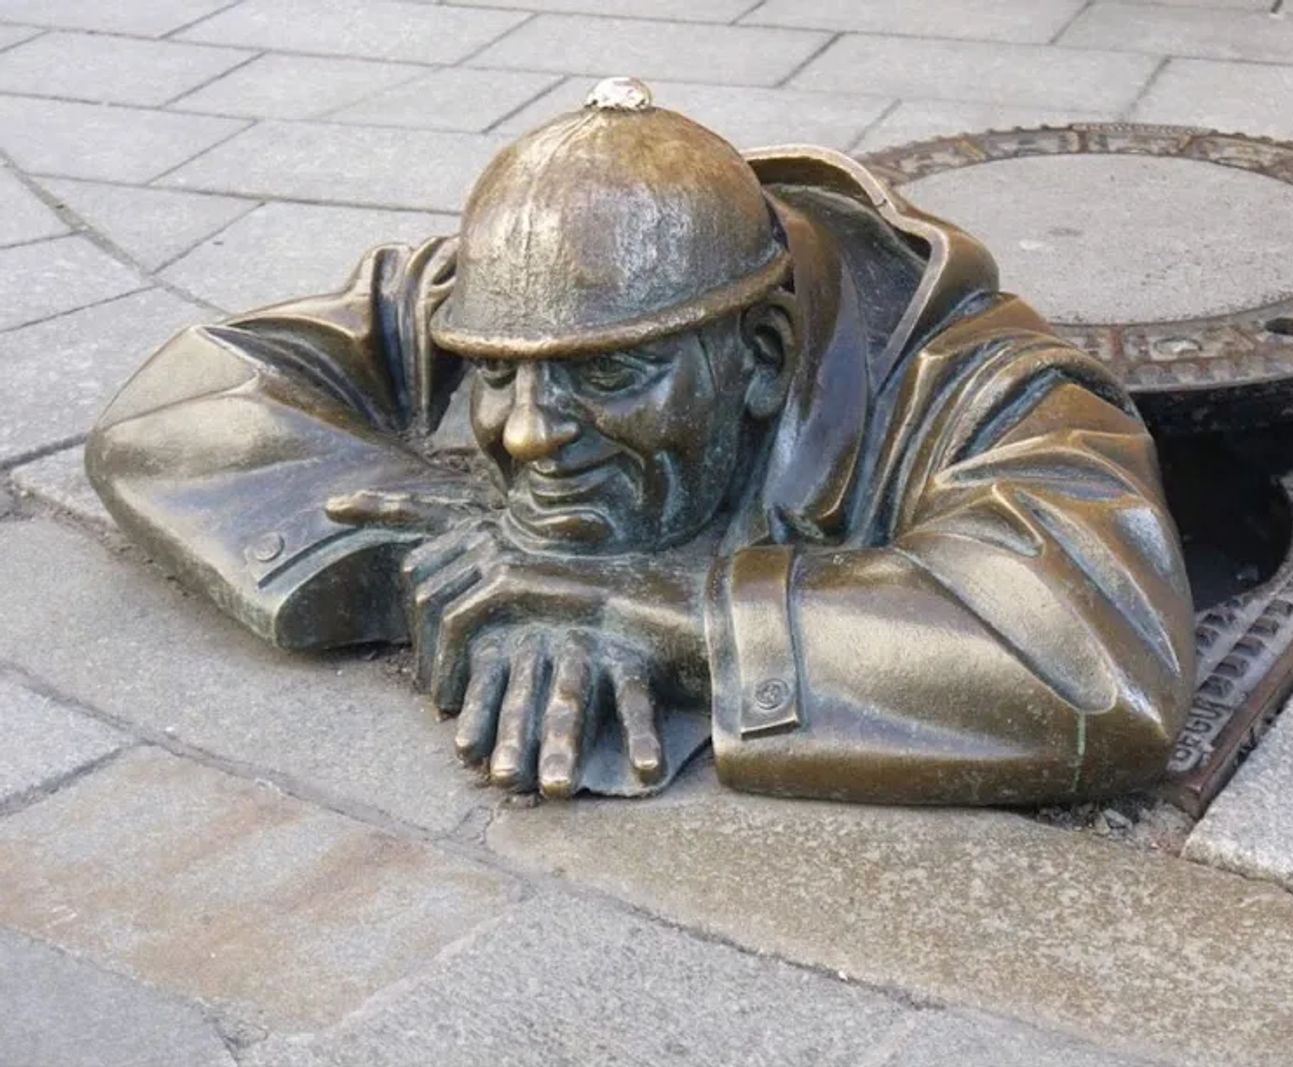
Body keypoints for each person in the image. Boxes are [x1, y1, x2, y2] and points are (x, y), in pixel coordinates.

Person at [87, 78, 1194, 805]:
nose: (524, 434)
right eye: (497, 373)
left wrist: (662, 613)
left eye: (607, 377)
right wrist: (425, 562)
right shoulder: (523, 288)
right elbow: (174, 412)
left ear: (762, 353)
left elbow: (1098, 665)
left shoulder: (982, 380)